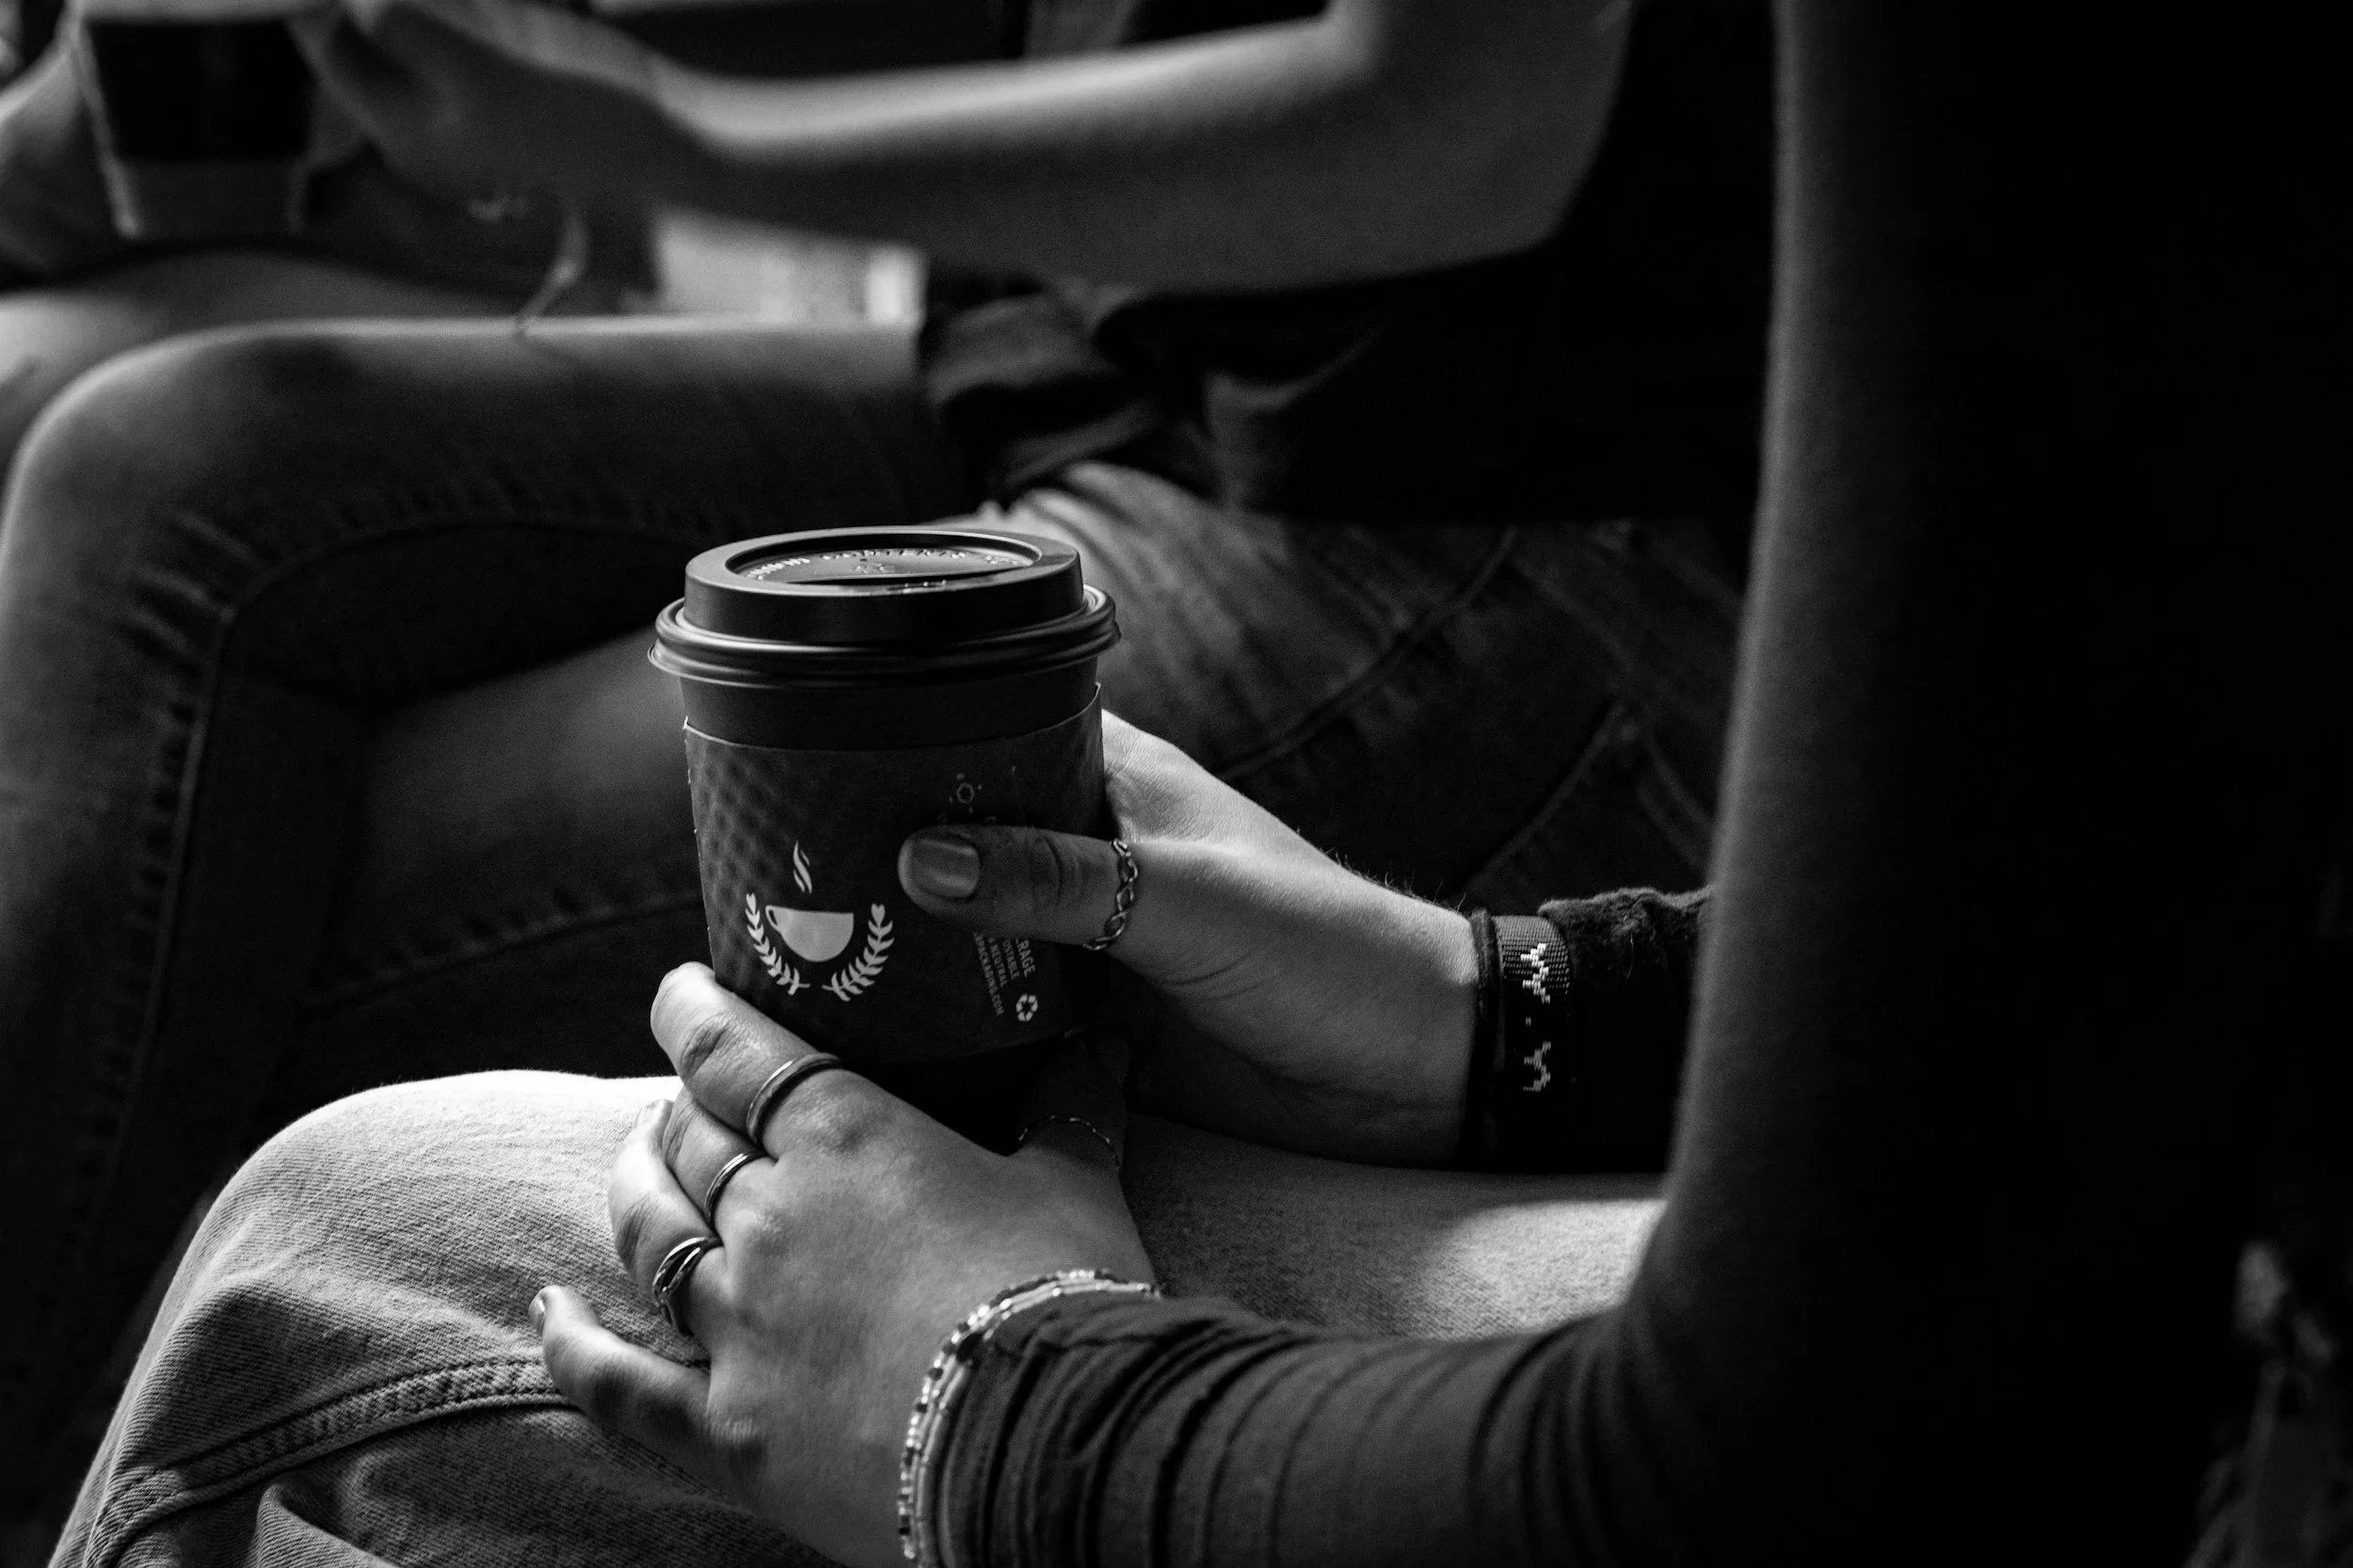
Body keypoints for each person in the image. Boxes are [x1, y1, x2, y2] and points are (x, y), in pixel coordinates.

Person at [44, 0, 2353, 1561]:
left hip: (1453, 514)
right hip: (1095, 379)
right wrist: (1498, 1003)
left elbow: (1879, 1419)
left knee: (338, 1183)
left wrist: (1001, 1397)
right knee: (165, 455)